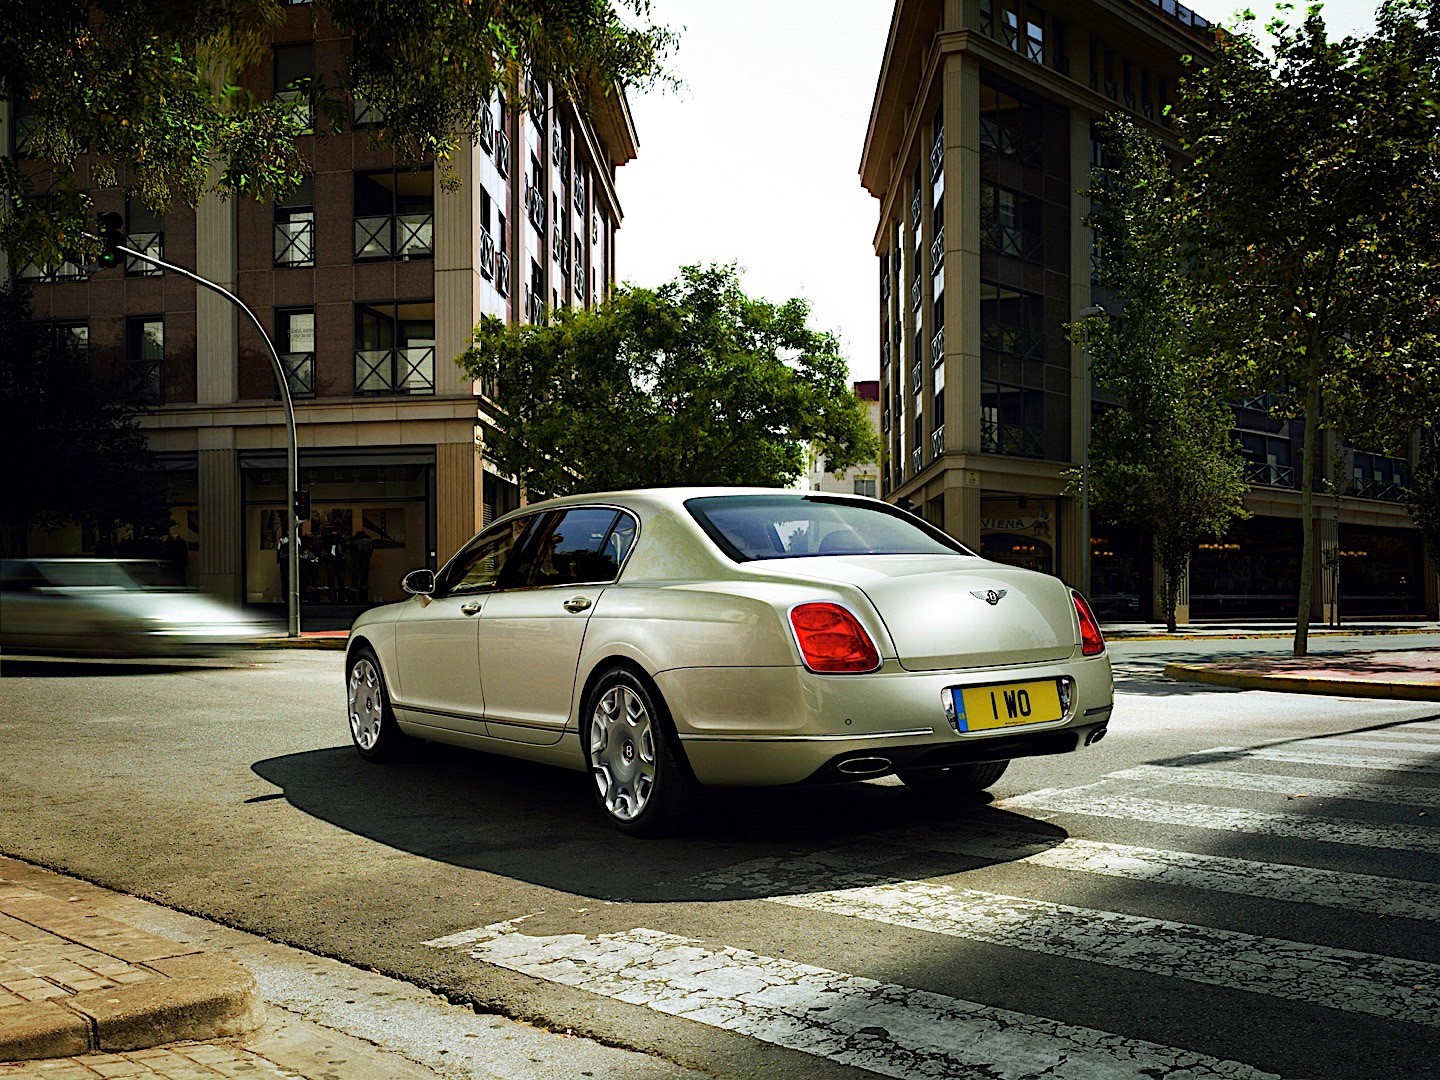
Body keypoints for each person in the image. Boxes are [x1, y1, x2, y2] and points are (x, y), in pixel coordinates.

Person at [349, 530, 374, 601]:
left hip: (356, 560)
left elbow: (351, 551)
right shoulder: (369, 539)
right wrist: (367, 558)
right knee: (364, 579)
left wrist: (354, 558)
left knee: (355, 579)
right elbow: (370, 550)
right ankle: (363, 598)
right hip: (365, 560)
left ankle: (353, 598)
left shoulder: (354, 539)